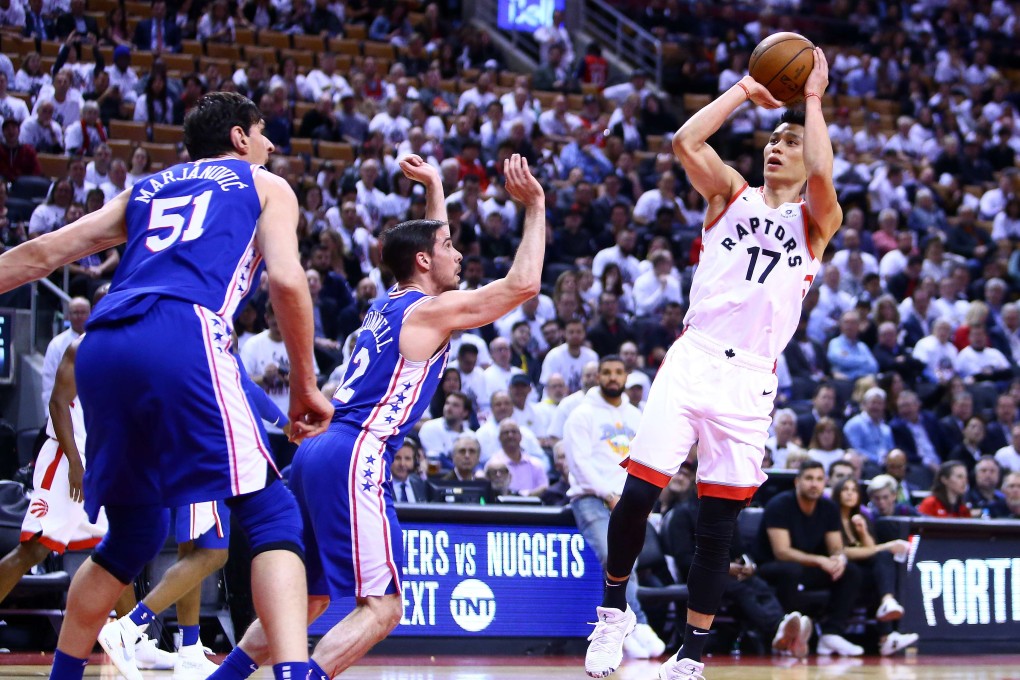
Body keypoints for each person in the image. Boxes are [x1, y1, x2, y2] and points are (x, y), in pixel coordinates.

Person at [0, 91, 334, 680]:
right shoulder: (264, 185)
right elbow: (285, 278)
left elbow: (43, 252)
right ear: (239, 139)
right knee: (272, 512)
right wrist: (305, 383)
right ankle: (290, 673)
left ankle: (64, 675)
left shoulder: (150, 187)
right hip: (184, 327)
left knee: (136, 532)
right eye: (263, 133)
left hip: (102, 342)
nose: (270, 145)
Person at [212, 152, 546, 680]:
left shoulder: (388, 304)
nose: (457, 252)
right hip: (356, 451)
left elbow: (428, 246)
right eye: (449, 247)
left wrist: (435, 184)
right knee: (385, 607)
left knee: (311, 598)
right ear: (421, 261)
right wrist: (535, 207)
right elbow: (523, 285)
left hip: (317, 451)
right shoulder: (431, 312)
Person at [585, 49, 843, 680]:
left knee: (716, 522)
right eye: (772, 141)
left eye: (791, 142)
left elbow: (824, 173)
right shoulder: (730, 192)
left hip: (751, 378)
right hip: (694, 356)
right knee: (638, 495)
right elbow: (684, 140)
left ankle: (691, 656)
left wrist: (810, 100)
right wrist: (744, 90)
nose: (776, 148)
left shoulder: (816, 221)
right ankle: (614, 611)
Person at [564, 356, 666, 659]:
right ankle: (634, 625)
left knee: (626, 559)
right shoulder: (581, 415)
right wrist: (608, 494)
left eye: (618, 372)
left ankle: (626, 627)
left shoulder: (637, 416)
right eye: (606, 372)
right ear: (597, 377)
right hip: (591, 498)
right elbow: (578, 463)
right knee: (613, 557)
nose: (612, 377)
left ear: (626, 377)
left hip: (629, 500)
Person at [756, 461, 864, 657]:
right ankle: (788, 634)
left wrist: (839, 559)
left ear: (825, 483)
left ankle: (831, 634)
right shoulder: (779, 505)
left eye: (819, 479)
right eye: (809, 478)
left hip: (808, 566)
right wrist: (821, 560)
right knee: (791, 570)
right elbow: (782, 552)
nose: (814, 484)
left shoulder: (829, 507)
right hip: (772, 566)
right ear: (797, 481)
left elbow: (836, 547)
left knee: (851, 572)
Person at [831, 477, 918, 656]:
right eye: (845, 489)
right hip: (841, 571)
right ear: (837, 493)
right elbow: (841, 551)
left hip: (861, 572)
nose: (849, 493)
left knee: (884, 560)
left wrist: (862, 532)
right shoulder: (830, 517)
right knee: (880, 556)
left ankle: (887, 620)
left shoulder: (862, 517)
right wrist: (885, 546)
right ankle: (885, 629)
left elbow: (871, 548)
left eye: (854, 490)